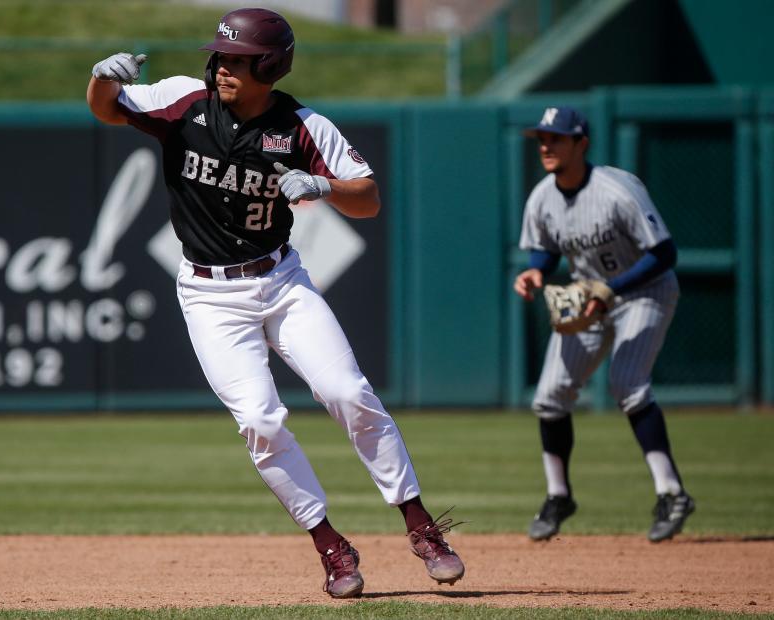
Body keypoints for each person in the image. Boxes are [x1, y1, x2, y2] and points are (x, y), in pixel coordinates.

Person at [86, 8, 464, 597]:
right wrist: (101, 79)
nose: (222, 67)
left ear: (270, 64)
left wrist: (323, 187)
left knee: (347, 392)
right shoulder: (185, 100)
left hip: (282, 281)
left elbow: (367, 199)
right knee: (261, 422)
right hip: (209, 293)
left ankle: (420, 525)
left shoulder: (304, 126)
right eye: (221, 56)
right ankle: (331, 547)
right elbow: (107, 108)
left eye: (237, 59)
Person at [514, 105, 696, 543]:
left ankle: (671, 492)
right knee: (549, 397)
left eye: (555, 138)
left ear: (581, 143)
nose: (545, 146)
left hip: (645, 292)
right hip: (589, 299)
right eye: (541, 138)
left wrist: (612, 288)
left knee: (627, 383)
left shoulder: (618, 189)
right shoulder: (542, 197)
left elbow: (664, 254)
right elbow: (545, 249)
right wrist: (537, 270)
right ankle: (559, 496)